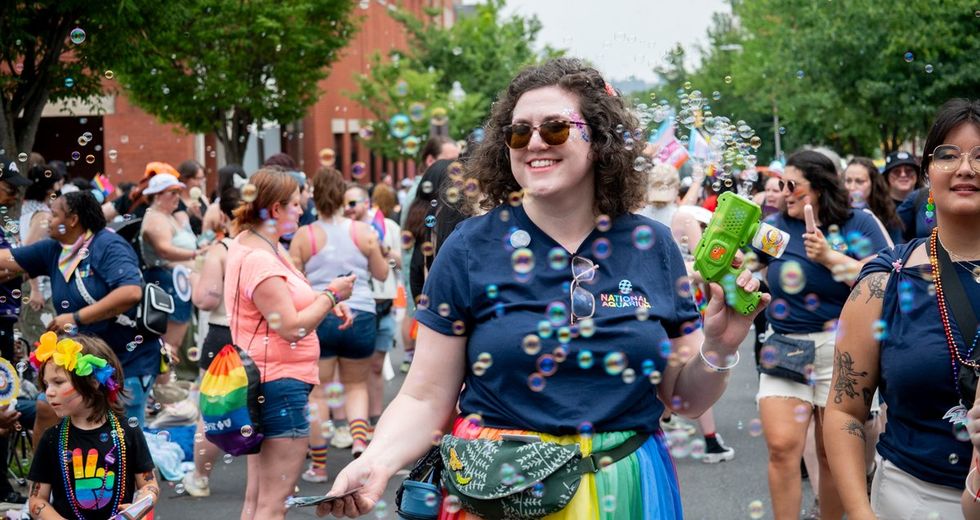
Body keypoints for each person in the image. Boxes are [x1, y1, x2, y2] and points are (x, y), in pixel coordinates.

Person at [315, 57, 765, 519]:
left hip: (628, 484)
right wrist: (376, 460)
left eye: (554, 129)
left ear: (600, 139)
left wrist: (719, 348)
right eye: (518, 131)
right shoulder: (470, 247)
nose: (533, 142)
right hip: (500, 488)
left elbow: (684, 400)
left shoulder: (652, 246)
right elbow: (424, 395)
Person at [825, 98, 980, 520]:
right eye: (947, 154)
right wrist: (859, 511)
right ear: (927, 175)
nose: (965, 168)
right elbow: (845, 410)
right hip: (913, 500)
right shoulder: (884, 281)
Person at [753, 150, 890, 520]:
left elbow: (885, 278)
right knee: (782, 447)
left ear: (819, 186)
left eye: (791, 184)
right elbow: (747, 266)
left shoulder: (857, 223)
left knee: (833, 454)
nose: (783, 192)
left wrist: (829, 257)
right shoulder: (775, 227)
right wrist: (738, 273)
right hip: (785, 344)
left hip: (843, 346)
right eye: (781, 184)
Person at [224, 168, 354, 520]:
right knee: (274, 503)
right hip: (279, 386)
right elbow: (292, 328)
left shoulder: (254, 244)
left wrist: (321, 298)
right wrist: (331, 294)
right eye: (296, 204)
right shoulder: (262, 260)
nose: (303, 209)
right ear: (275, 209)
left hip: (261, 381)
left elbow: (282, 300)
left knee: (256, 500)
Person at [0, 190, 160, 427]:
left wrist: (75, 317)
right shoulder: (54, 249)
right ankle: (49, 465)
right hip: (83, 360)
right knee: (47, 409)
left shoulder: (108, 245)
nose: (48, 221)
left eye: (54, 215)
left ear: (73, 220)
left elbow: (131, 292)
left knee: (120, 432)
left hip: (126, 360)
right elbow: (5, 259)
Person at [287, 172, 387, 482]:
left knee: (318, 395)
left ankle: (318, 467)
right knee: (356, 385)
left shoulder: (305, 235)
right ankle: (359, 441)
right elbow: (382, 274)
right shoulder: (364, 231)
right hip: (363, 314)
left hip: (321, 313)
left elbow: (292, 280)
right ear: (344, 196)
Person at [27, 333, 158, 520]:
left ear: (93, 382)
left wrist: (140, 506)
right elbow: (37, 500)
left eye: (58, 382)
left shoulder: (127, 431)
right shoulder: (51, 438)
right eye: (46, 384)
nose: (49, 392)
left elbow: (149, 484)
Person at [182, 188, 242, 498]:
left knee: (210, 411)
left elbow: (207, 299)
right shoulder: (270, 248)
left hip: (223, 334)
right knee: (263, 408)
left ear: (223, 215)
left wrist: (194, 279)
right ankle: (278, 478)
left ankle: (200, 478)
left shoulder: (221, 250)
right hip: (259, 335)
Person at [139, 172, 201, 352]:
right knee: (168, 344)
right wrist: (196, 253)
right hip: (167, 283)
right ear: (157, 196)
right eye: (172, 192)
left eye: (178, 192)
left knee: (175, 343)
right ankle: (162, 380)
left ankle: (166, 378)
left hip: (177, 282)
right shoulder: (155, 218)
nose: (177, 197)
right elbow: (164, 250)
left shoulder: (167, 215)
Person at [843, 157, 903, 244]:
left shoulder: (888, 215)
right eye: (848, 181)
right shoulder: (838, 213)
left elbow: (895, 253)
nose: (852, 187)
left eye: (859, 181)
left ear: (873, 184)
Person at [176, 159, 210, 236]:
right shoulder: (176, 201)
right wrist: (188, 214)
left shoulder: (202, 198)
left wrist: (200, 217)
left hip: (206, 240)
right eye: (197, 179)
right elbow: (179, 229)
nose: (200, 183)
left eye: (202, 179)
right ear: (184, 178)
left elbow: (210, 225)